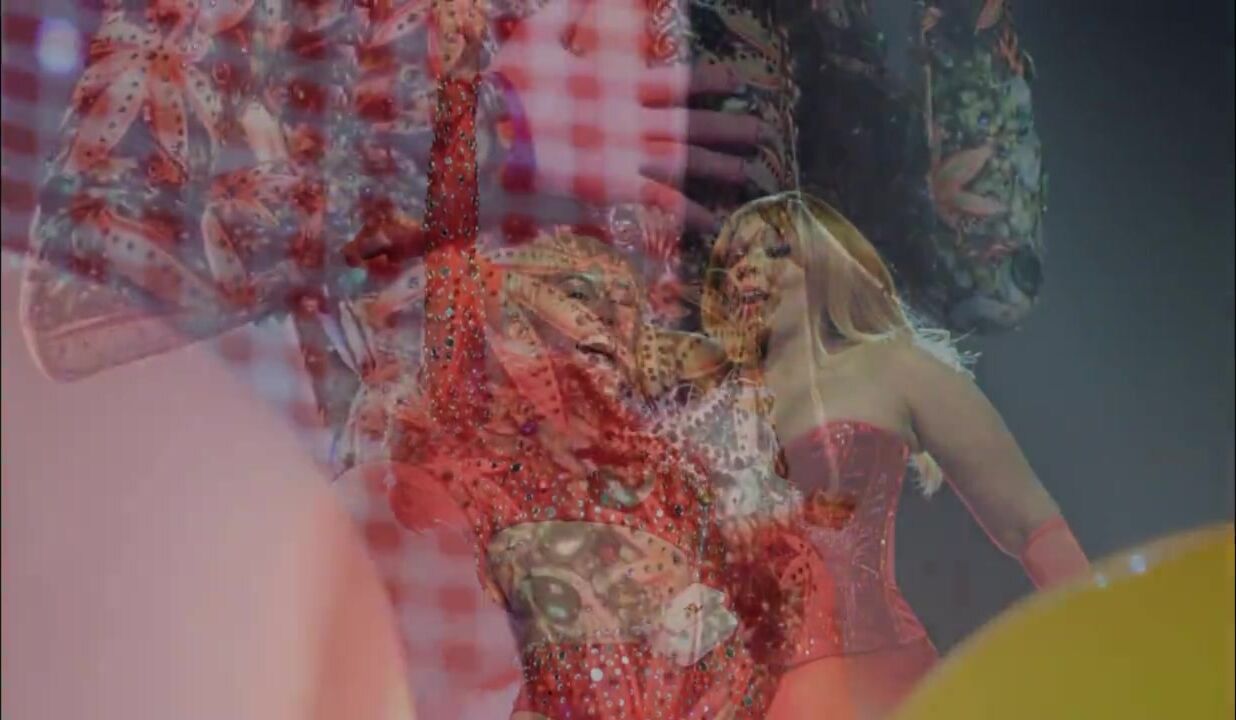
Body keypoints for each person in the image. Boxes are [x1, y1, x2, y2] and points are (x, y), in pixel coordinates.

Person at [698, 191, 1088, 719]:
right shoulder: (703, 417)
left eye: (776, 249)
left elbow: (1030, 525)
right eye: (734, 257)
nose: (748, 267)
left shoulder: (893, 369)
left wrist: (1104, 650)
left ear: (823, 261)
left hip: (881, 689)